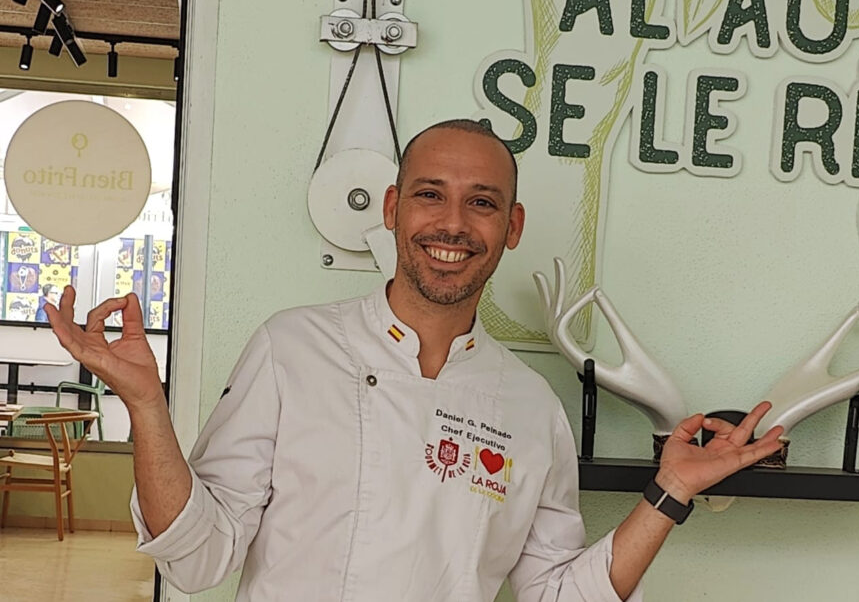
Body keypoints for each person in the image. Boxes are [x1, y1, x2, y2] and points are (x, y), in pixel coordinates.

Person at [44, 119, 784, 601]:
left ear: (513, 225)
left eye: (483, 202)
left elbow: (556, 595)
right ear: (394, 207)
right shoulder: (293, 346)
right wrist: (146, 404)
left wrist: (670, 491)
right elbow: (196, 559)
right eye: (431, 194)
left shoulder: (530, 407)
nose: (453, 224)